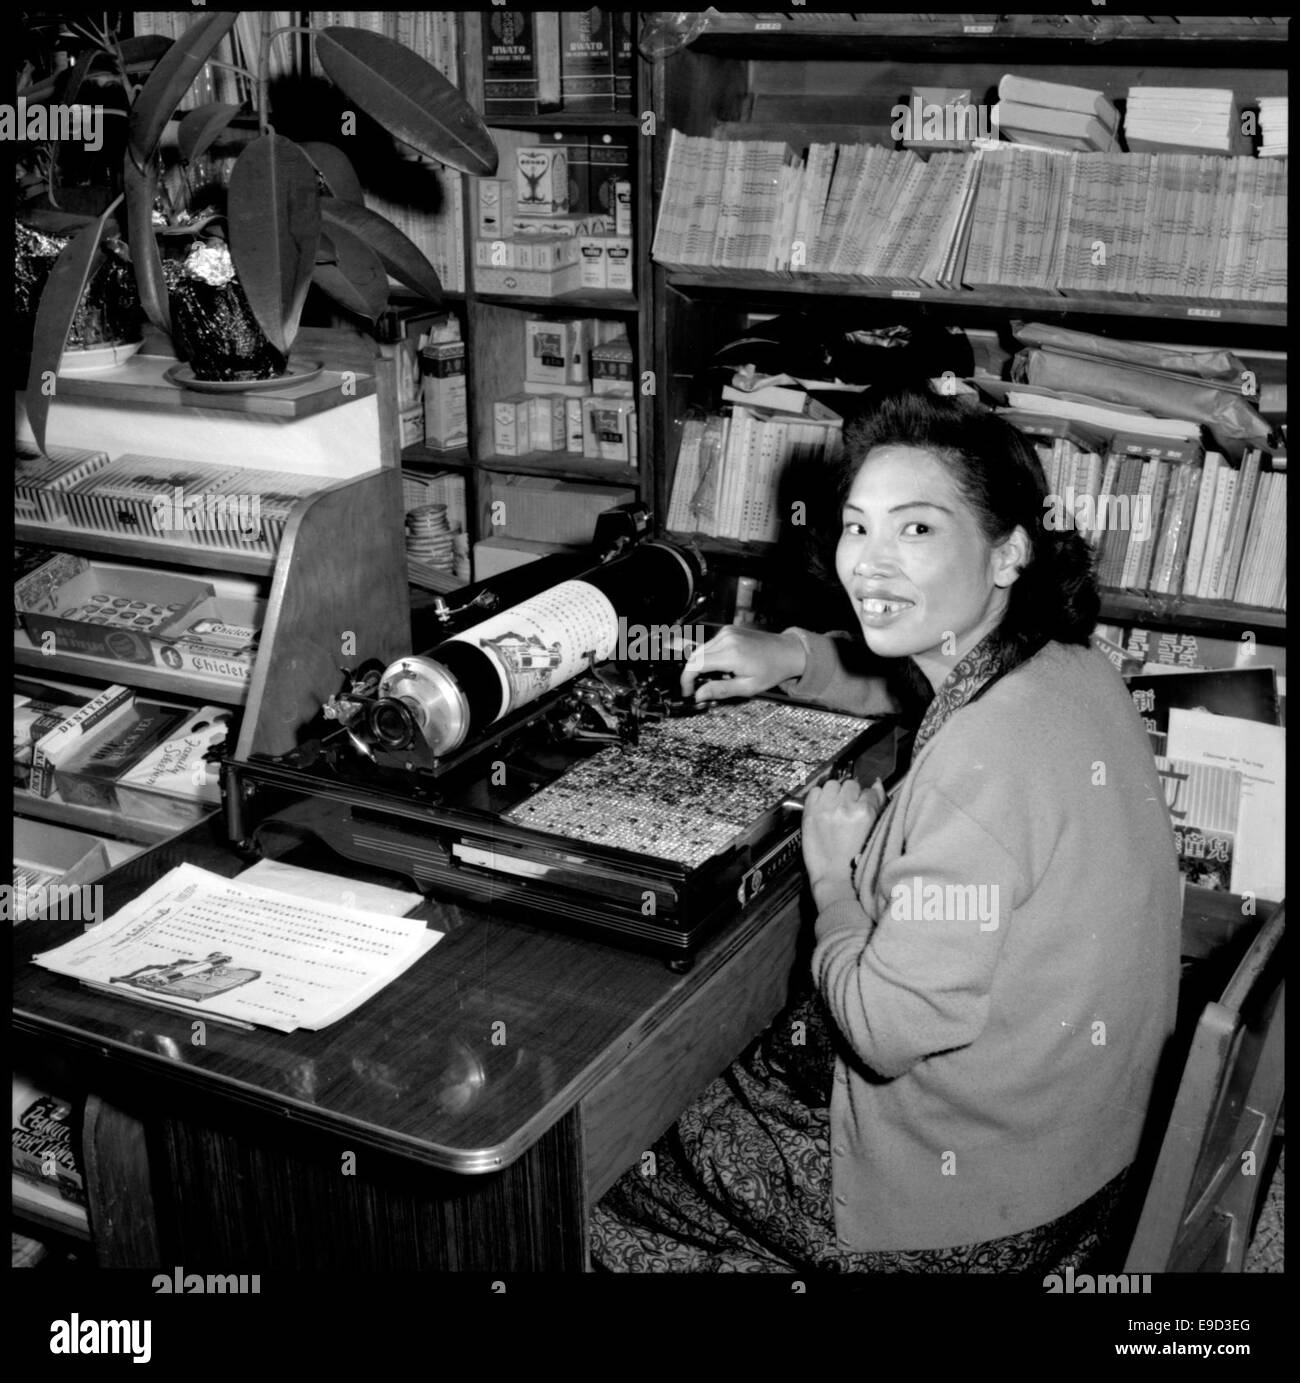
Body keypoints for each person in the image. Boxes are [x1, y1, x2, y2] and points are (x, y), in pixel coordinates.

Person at [590, 385, 1181, 1272]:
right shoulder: (1066, 659)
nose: (869, 562)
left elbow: (884, 1029)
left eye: (915, 530)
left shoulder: (979, 770)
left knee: (602, 1177)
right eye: (857, 527)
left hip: (978, 1206)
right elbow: (916, 679)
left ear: (1008, 549)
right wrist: (792, 654)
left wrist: (835, 883)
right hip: (1085, 1135)